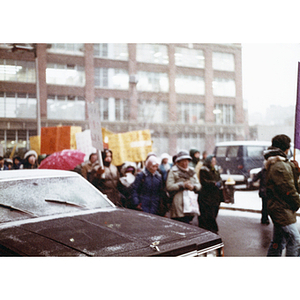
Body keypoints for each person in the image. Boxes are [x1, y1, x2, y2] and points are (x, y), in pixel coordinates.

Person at [264, 134, 300, 256]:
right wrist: (297, 203)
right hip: (282, 210)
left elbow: (292, 184)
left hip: (278, 208)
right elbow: (289, 190)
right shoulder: (280, 165)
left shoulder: (278, 163)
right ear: (286, 148)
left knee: (278, 242)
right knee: (295, 240)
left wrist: (295, 171)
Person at [166, 150, 201, 224]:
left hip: (191, 202)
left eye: (187, 161)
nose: (185, 163)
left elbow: (198, 185)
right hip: (179, 202)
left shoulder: (191, 171)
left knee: (188, 223)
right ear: (178, 162)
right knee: (181, 223)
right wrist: (182, 185)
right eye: (183, 161)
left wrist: (193, 187)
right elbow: (169, 186)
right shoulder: (173, 171)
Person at [198, 155, 223, 233]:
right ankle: (211, 229)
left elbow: (220, 179)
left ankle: (211, 229)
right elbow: (204, 182)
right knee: (208, 213)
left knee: (214, 211)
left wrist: (219, 183)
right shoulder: (204, 170)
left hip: (215, 195)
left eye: (215, 161)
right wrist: (214, 184)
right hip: (206, 195)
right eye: (212, 161)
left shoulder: (215, 170)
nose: (214, 163)